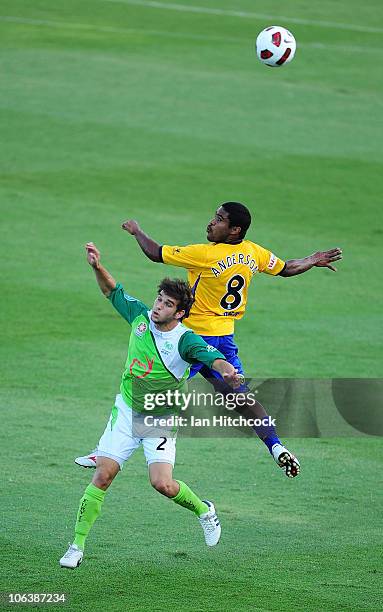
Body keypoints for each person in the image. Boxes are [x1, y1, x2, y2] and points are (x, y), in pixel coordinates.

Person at [76, 202, 342, 477]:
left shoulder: (205, 254)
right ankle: (276, 446)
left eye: (219, 219)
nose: (211, 223)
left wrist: (136, 231)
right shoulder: (254, 252)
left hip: (188, 340)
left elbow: (156, 253)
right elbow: (286, 268)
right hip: (224, 338)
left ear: (234, 229)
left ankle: (106, 451)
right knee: (240, 398)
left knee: (145, 386)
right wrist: (311, 259)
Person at [60, 242, 242, 569]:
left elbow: (213, 358)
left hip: (160, 417)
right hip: (127, 409)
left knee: (162, 484)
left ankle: (205, 510)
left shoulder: (185, 340)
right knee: (103, 476)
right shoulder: (141, 318)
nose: (158, 306)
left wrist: (230, 373)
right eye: (159, 299)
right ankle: (76, 546)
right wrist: (96, 266)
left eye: (167, 304)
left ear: (181, 313)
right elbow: (113, 291)